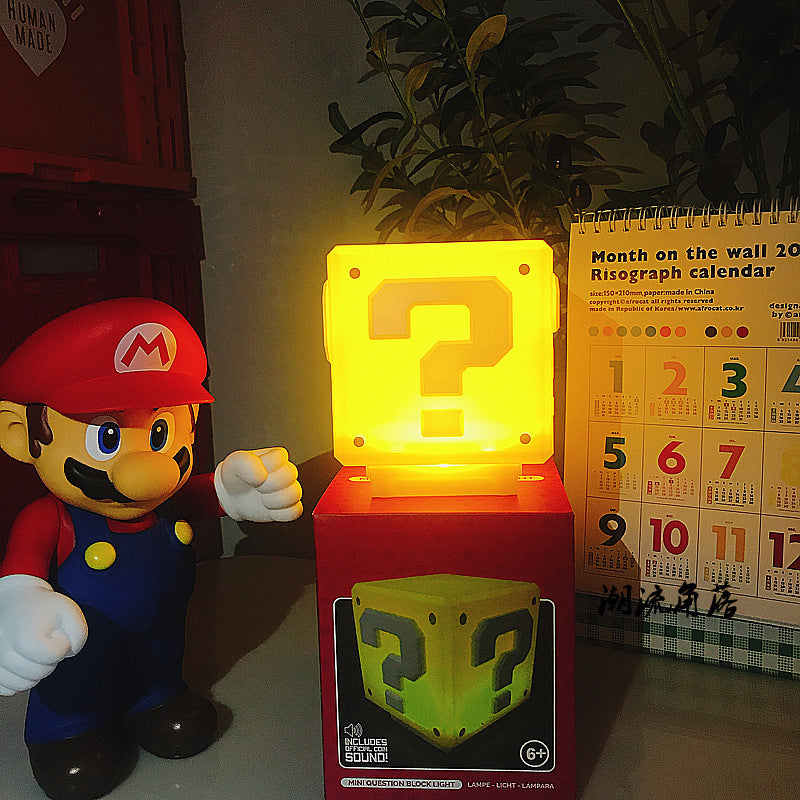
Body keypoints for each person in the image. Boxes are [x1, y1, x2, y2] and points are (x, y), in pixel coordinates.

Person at [0, 298, 302, 800]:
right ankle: (68, 731)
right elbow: (20, 572)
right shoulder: (48, 518)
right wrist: (18, 602)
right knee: (74, 689)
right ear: (20, 434)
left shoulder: (171, 501)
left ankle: (154, 702)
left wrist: (231, 492)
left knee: (159, 666)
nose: (151, 470)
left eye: (160, 431)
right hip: (77, 659)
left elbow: (204, 494)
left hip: (160, 646)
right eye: (109, 436)